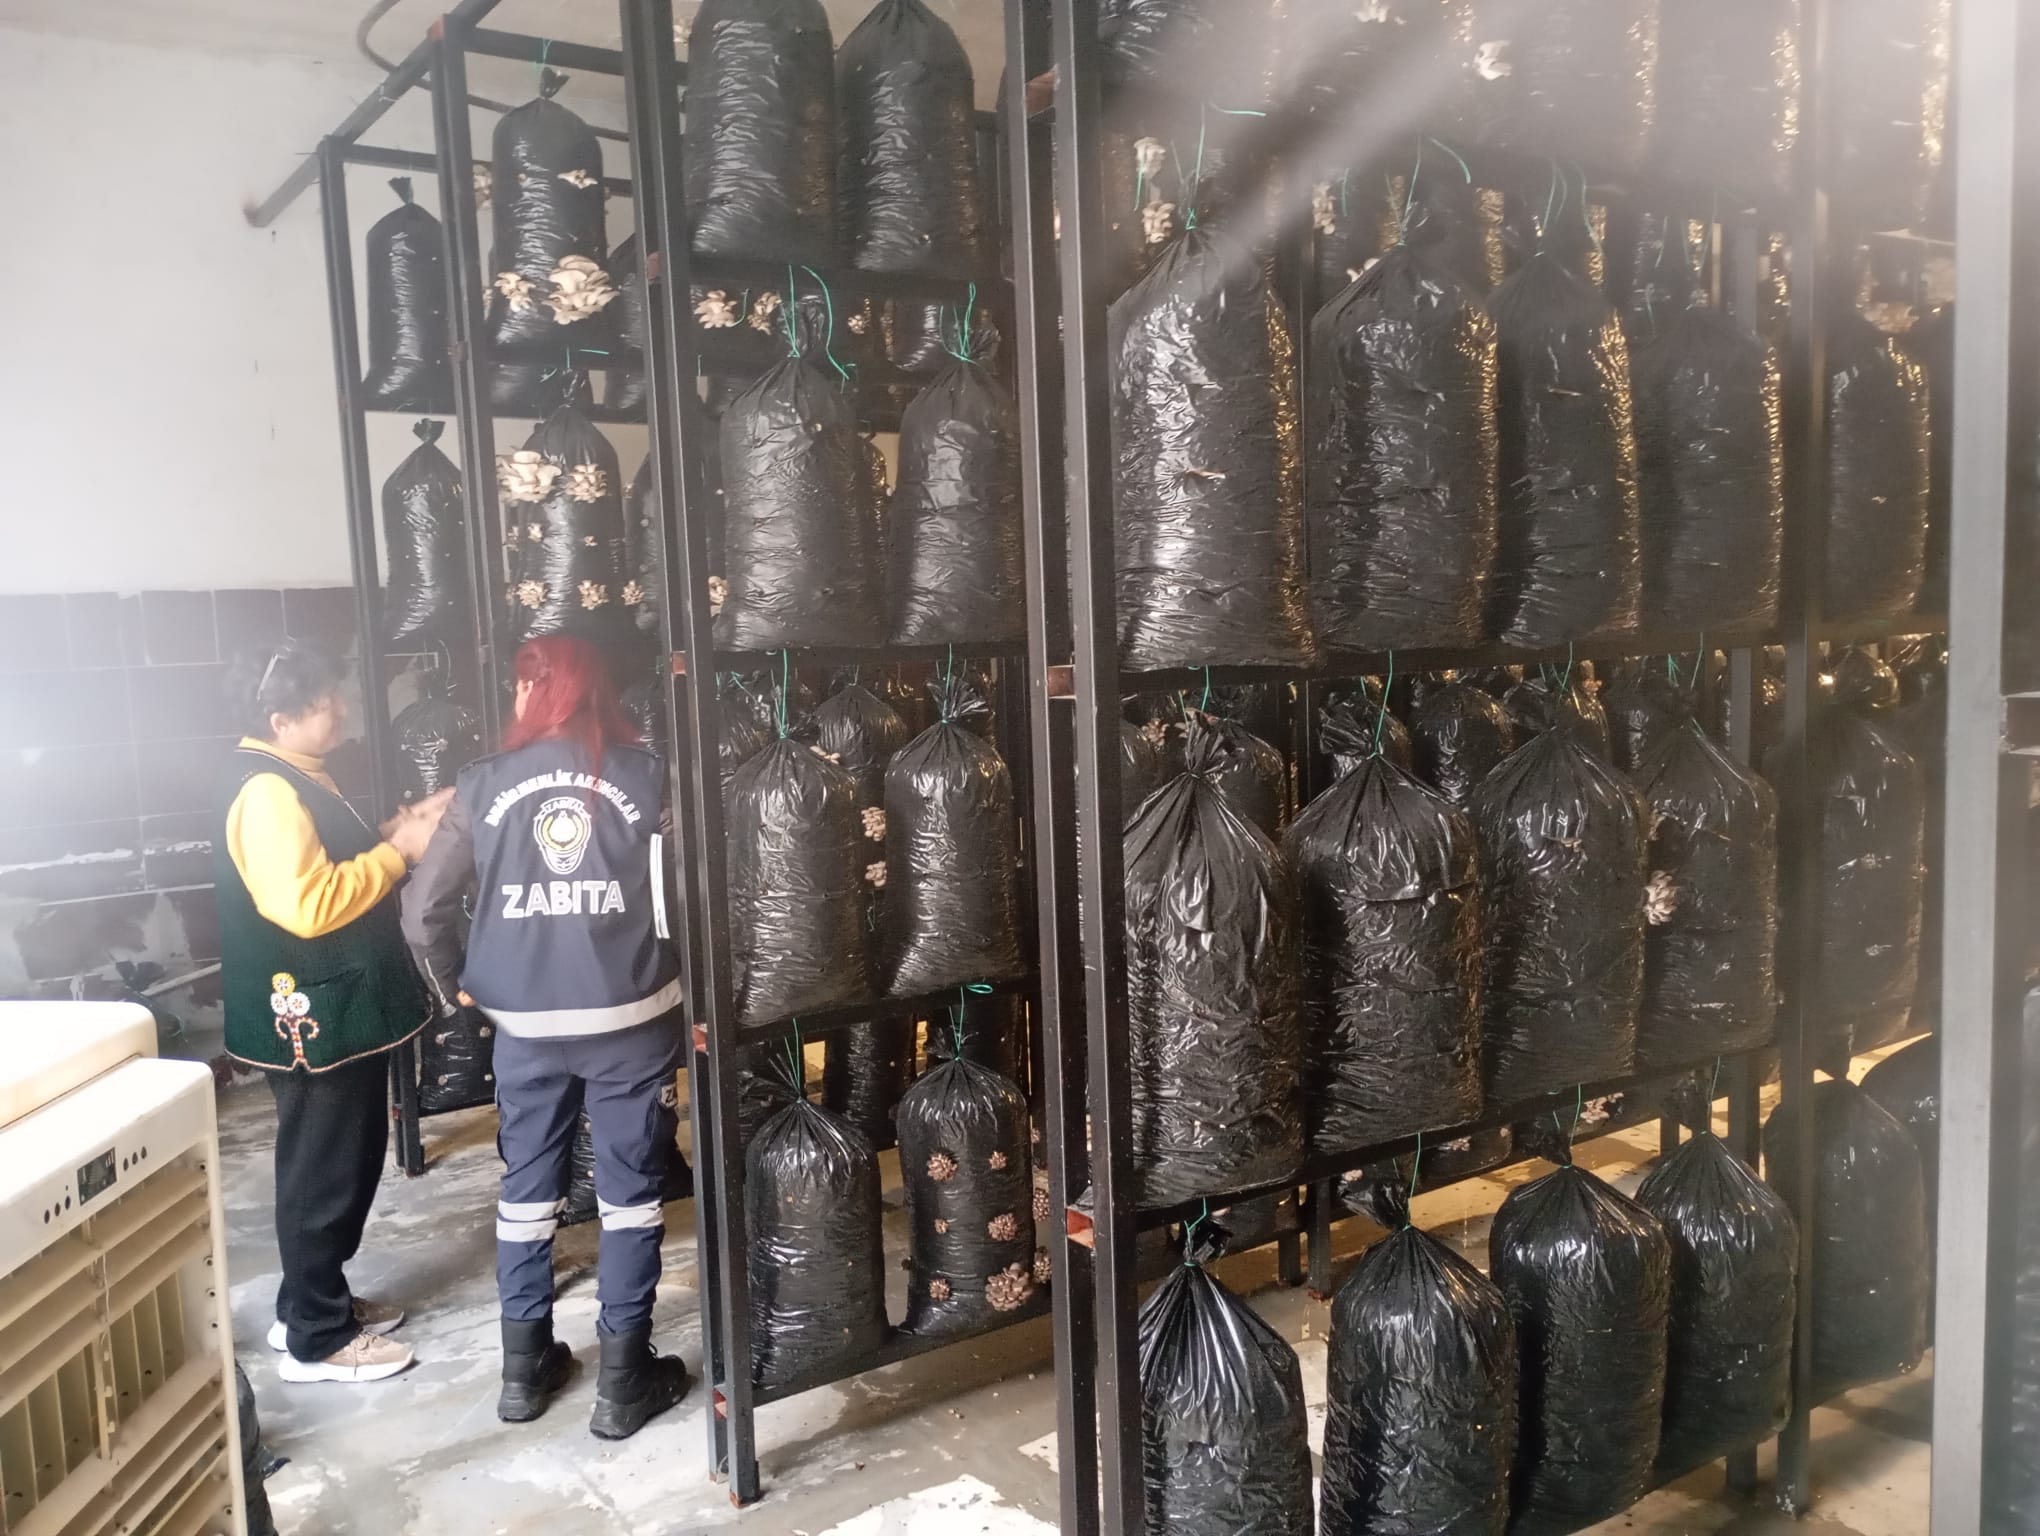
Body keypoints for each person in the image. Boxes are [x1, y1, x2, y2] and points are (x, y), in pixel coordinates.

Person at [402, 634, 689, 1439]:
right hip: (630, 1018)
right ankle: (623, 1382)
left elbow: (422, 912)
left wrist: (457, 989)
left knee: (527, 1190)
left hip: (523, 1027)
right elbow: (696, 890)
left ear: (532, 692)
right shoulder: (651, 775)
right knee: (630, 1195)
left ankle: (523, 1372)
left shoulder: (482, 783)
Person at [217, 640, 448, 1384]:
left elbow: (322, 864)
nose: (341, 711)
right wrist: (399, 853)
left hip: (335, 1013)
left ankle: (310, 1303)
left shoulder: (297, 773)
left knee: (338, 1162)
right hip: (315, 1022)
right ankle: (317, 1340)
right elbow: (307, 906)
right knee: (324, 1174)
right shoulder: (268, 792)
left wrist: (388, 834)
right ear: (280, 718)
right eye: (324, 704)